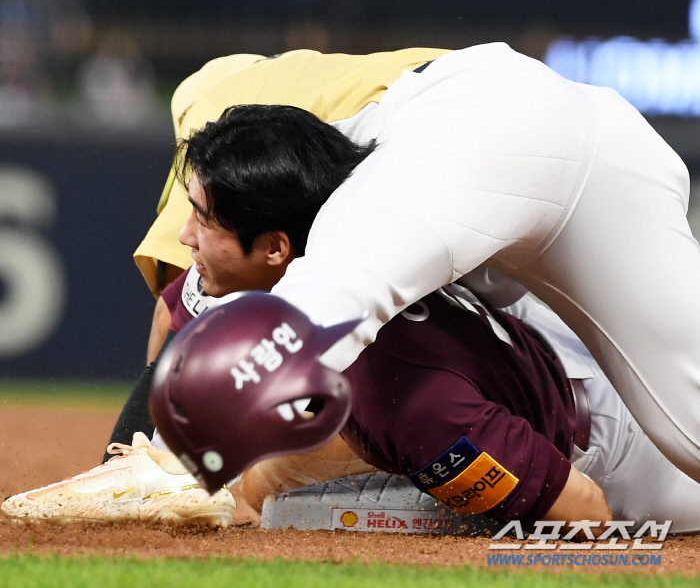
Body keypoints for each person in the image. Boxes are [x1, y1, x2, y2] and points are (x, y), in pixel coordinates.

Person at [6, 105, 700, 534]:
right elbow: (179, 316)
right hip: (520, 343)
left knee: (300, 499)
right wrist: (133, 454)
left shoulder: (411, 402)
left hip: (609, 448)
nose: (184, 237)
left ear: (277, 249)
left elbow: (584, 513)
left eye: (204, 219)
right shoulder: (290, 253)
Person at [132, 46, 700, 484]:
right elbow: (191, 300)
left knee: (689, 436)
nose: (188, 233)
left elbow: (304, 321)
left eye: (200, 220)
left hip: (498, 152)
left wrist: (158, 462)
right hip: (525, 109)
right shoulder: (260, 138)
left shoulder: (339, 207)